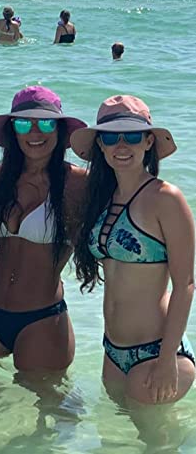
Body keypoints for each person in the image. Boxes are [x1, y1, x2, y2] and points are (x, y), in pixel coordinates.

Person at [72, 96, 195, 404]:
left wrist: (166, 361)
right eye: (111, 137)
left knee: (152, 433)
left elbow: (185, 285)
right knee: (116, 431)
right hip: (113, 350)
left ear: (149, 141)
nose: (121, 145)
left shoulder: (166, 198)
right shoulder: (102, 198)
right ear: (100, 145)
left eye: (132, 136)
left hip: (158, 351)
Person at [0, 86, 87, 371]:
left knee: (47, 397)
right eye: (23, 124)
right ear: (12, 131)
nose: (35, 132)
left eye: (46, 123)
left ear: (60, 130)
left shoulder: (78, 185)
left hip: (43, 319)